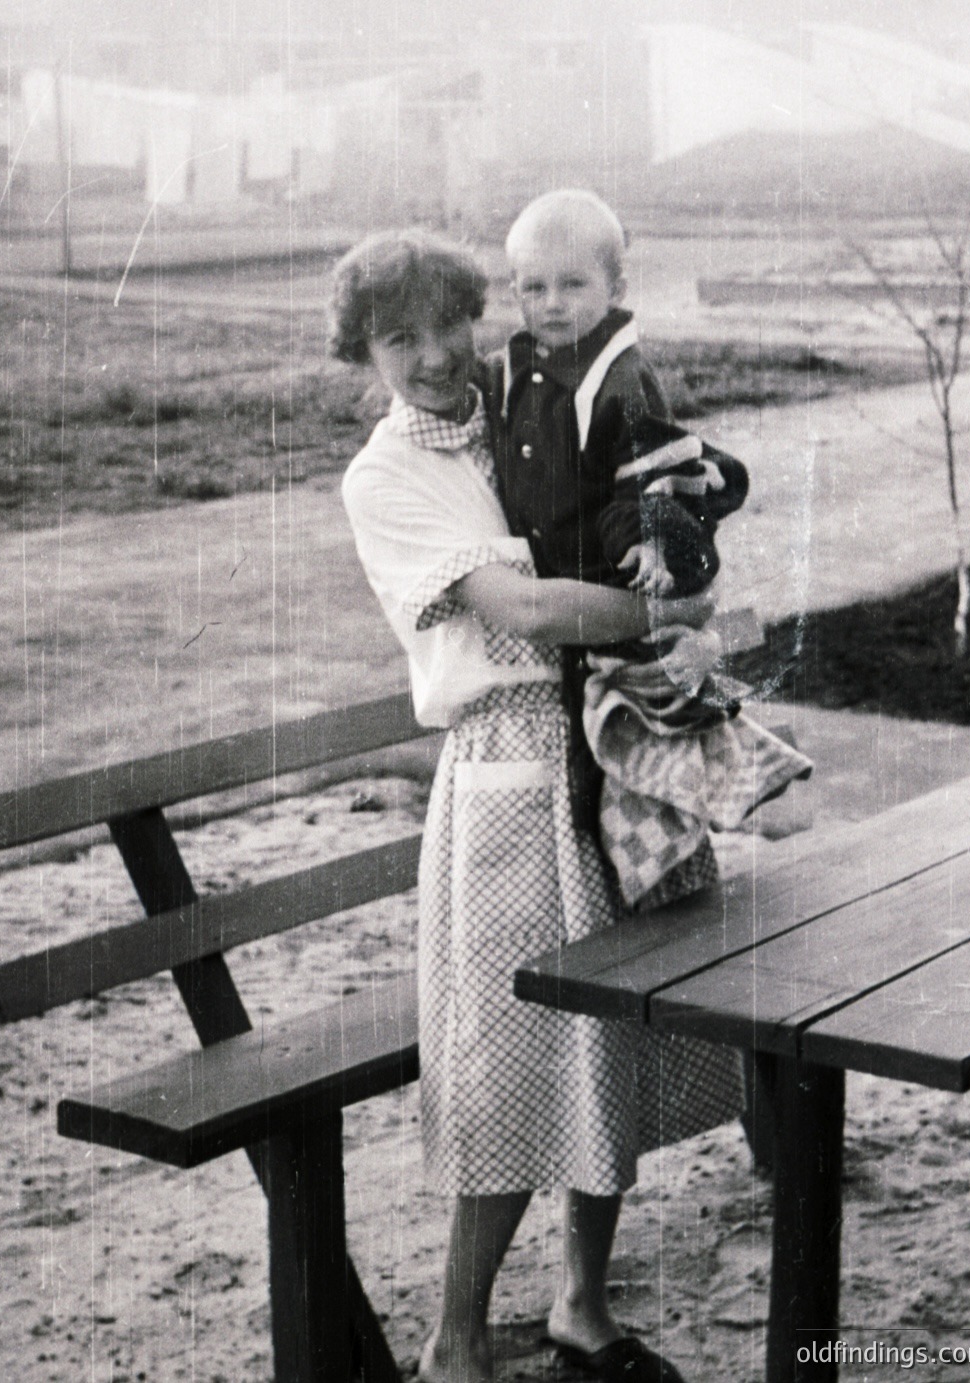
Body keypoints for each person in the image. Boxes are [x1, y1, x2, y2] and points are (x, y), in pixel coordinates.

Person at [333, 230, 741, 1383]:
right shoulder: (387, 475)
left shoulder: (533, 400)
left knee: (605, 1045)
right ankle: (456, 1341)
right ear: (363, 352)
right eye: (395, 337)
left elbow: (657, 509)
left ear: (481, 316)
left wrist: (685, 555)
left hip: (610, 745)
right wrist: (674, 620)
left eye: (443, 324)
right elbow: (523, 607)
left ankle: (579, 1304)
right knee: (508, 1058)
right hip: (509, 773)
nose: (428, 354)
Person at [492, 190, 812, 906]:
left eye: (573, 284)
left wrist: (653, 542)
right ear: (512, 290)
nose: (551, 303)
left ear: (614, 289)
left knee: (669, 669)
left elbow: (655, 475)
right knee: (627, 702)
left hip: (635, 558)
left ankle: (751, 776)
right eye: (533, 286)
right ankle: (688, 809)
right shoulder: (518, 370)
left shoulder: (621, 378)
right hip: (577, 594)